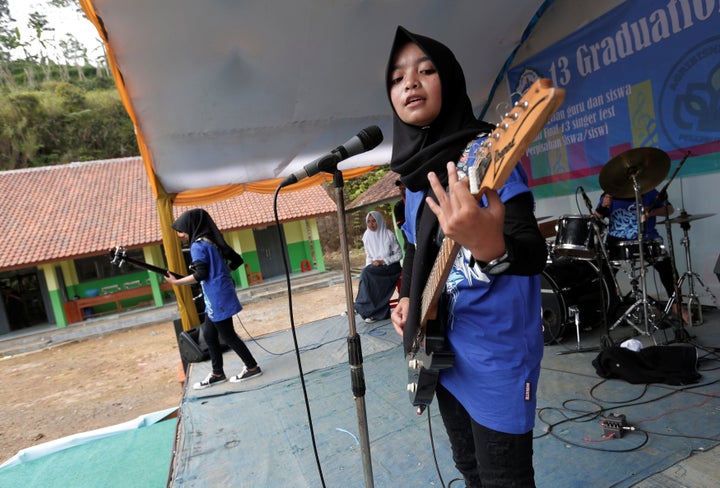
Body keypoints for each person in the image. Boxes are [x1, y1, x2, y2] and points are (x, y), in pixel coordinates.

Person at [386, 26, 547, 487]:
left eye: (426, 70)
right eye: (397, 78)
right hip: (441, 352)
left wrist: (487, 245)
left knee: (504, 480)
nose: (410, 83)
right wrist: (407, 303)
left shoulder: (484, 156)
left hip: (496, 356)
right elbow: (413, 261)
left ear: (450, 80)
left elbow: (532, 251)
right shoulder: (418, 181)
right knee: (469, 470)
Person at [165, 208, 262, 389]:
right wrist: (222, 273)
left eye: (181, 230)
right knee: (209, 334)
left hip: (217, 298)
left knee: (228, 335)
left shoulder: (197, 246)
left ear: (190, 226)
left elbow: (200, 274)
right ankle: (218, 373)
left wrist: (176, 283)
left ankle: (252, 367)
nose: (179, 235)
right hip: (218, 295)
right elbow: (237, 260)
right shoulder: (212, 241)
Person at [594, 189, 688, 323]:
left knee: (667, 267)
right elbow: (596, 219)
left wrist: (652, 211)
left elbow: (670, 209)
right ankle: (611, 307)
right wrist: (603, 206)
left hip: (646, 239)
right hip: (617, 242)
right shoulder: (610, 194)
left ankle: (677, 306)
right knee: (604, 273)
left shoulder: (648, 190)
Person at [354, 210, 403, 323]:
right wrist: (368, 268)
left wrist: (383, 261)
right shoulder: (366, 236)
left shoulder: (388, 234)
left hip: (391, 267)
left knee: (367, 274)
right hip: (377, 269)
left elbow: (399, 254)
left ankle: (364, 307)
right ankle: (368, 310)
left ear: (379, 221)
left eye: (374, 221)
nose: (371, 224)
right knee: (366, 275)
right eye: (369, 221)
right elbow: (369, 256)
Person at [393, 179, 409, 249]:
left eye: (404, 188)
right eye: (400, 189)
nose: (402, 191)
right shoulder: (398, 206)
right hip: (409, 241)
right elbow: (400, 225)